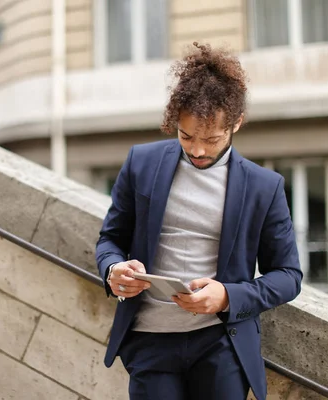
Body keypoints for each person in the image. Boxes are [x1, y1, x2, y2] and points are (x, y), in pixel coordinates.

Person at [95, 42, 302, 400]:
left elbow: (288, 276)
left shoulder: (264, 187)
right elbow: (109, 239)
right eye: (186, 136)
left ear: (237, 123)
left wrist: (227, 296)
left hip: (221, 344)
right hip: (149, 340)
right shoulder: (141, 163)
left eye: (211, 138)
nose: (198, 150)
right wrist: (113, 270)